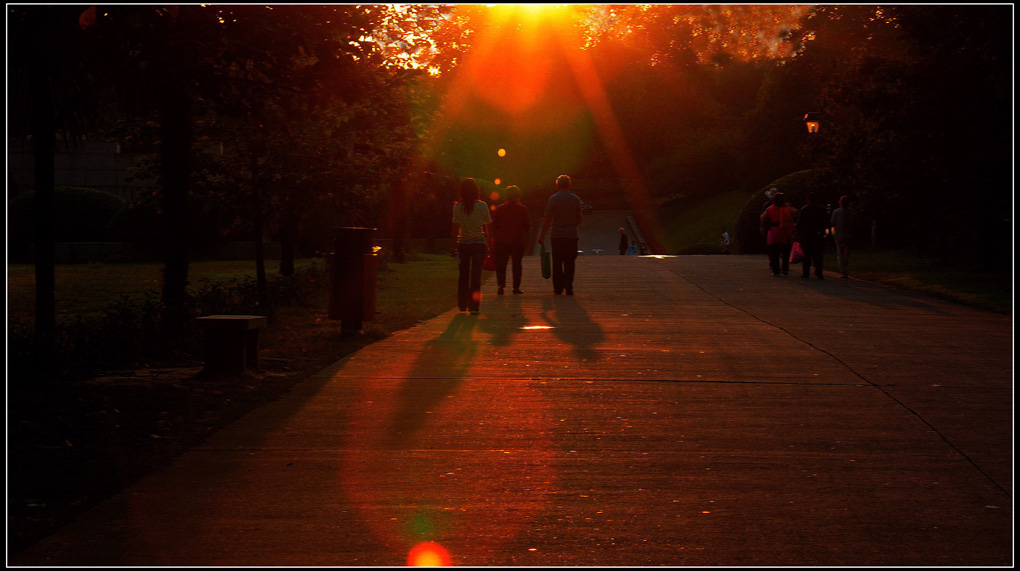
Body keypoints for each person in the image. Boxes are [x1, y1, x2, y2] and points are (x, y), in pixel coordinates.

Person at [537, 174, 582, 295]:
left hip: (557, 235)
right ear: (569, 184)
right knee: (569, 262)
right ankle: (569, 287)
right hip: (571, 235)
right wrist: (571, 225)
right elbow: (579, 218)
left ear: (557, 185)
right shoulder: (575, 199)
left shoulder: (553, 199)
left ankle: (558, 288)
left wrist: (542, 236)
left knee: (557, 262)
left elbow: (547, 219)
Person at [452, 178, 491, 314]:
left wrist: (453, 246)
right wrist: (489, 242)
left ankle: (462, 304)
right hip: (478, 244)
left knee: (463, 276)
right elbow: (487, 225)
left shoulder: (457, 207)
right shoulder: (482, 206)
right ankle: (474, 306)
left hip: (463, 244)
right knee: (476, 276)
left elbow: (455, 227)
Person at [491, 185, 530, 295]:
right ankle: (516, 287)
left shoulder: (500, 209)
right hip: (517, 241)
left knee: (501, 264)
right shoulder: (523, 209)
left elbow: (494, 224)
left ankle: (501, 285)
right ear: (518, 196)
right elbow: (527, 225)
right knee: (517, 265)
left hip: (502, 240)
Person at [760, 191, 797, 276]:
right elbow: (795, 213)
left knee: (774, 252)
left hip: (774, 231)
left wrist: (763, 228)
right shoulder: (787, 208)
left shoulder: (769, 209)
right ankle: (785, 269)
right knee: (785, 252)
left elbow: (763, 218)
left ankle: (776, 270)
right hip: (785, 231)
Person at [795, 192, 828, 279]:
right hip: (818, 234)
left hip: (807, 235)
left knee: (806, 255)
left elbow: (799, 223)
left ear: (808, 199)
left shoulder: (804, 209)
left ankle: (806, 272)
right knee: (818, 255)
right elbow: (826, 223)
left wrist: (797, 234)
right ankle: (819, 272)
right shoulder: (822, 209)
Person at [830, 195, 855, 279]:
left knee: (840, 253)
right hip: (848, 234)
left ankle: (843, 270)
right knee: (846, 253)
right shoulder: (851, 212)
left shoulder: (836, 212)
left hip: (839, 234)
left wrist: (832, 233)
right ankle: (845, 269)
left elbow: (832, 223)